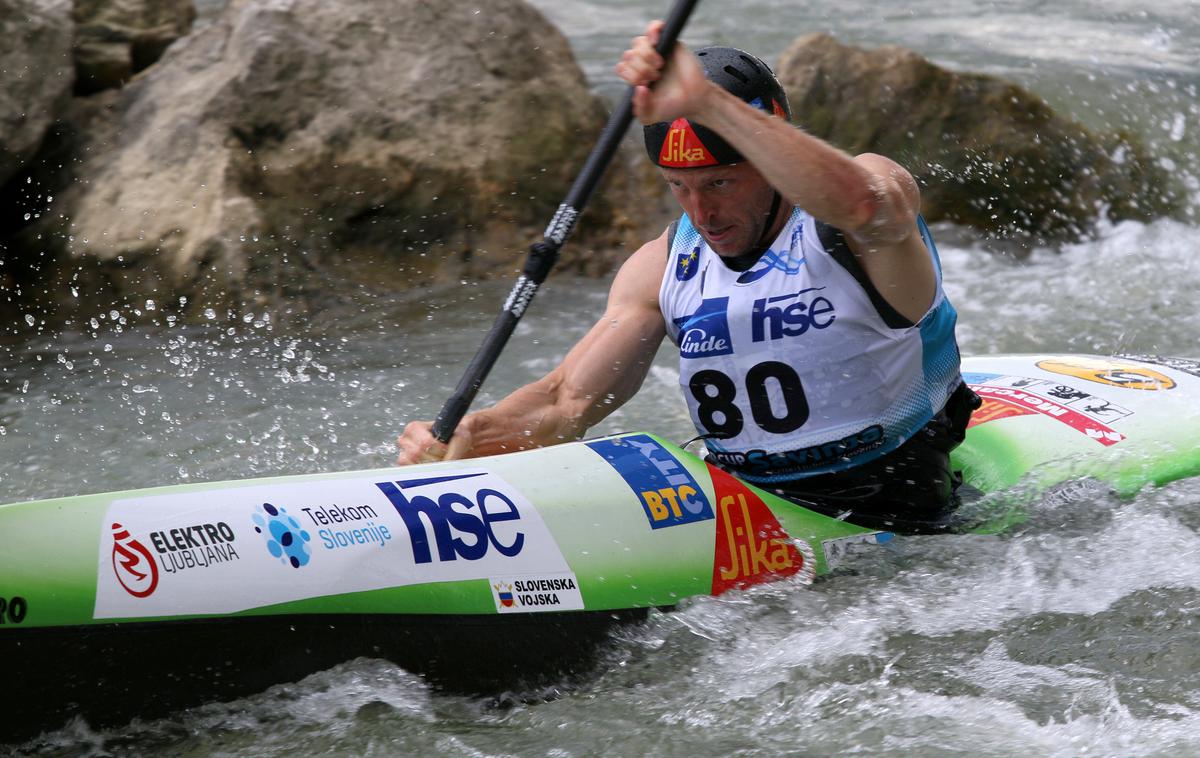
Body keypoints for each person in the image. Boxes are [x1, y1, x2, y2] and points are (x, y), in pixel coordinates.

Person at [397, 21, 980, 534]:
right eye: (680, 187)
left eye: (720, 183)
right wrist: (470, 437)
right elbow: (565, 401)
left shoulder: (859, 212)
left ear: (769, 156)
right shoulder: (662, 264)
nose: (701, 214)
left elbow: (863, 204)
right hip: (751, 504)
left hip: (898, 504)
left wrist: (708, 103)